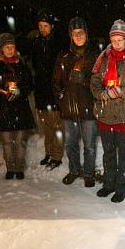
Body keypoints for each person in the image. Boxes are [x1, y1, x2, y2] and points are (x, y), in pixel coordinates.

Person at [91, 19, 125, 202]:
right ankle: (109, 184)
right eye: (114, 40)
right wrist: (103, 94)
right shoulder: (104, 58)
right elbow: (95, 83)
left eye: (120, 40)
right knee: (108, 153)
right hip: (106, 114)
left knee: (123, 154)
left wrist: (122, 91)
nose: (117, 43)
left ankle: (122, 187)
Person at [53, 17, 99, 187]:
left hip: (88, 106)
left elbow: (98, 83)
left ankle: (88, 173)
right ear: (70, 36)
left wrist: (84, 80)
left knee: (89, 144)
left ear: (86, 34)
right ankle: (74, 170)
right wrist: (60, 97)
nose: (78, 36)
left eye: (81, 33)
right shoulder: (64, 56)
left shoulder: (94, 56)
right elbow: (56, 82)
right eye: (75, 33)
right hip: (69, 108)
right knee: (71, 143)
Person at [0, 33, 36, 180]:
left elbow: (29, 84)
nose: (10, 49)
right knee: (7, 142)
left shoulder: (21, 65)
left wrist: (20, 91)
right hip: (3, 110)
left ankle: (19, 168)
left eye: (12, 47)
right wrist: (3, 93)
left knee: (20, 141)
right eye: (6, 47)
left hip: (20, 109)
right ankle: (11, 168)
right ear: (2, 49)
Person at [27, 9, 65, 169]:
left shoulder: (58, 44)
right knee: (46, 125)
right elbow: (34, 65)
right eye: (40, 26)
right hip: (41, 90)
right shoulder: (36, 43)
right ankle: (49, 152)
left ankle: (57, 155)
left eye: (45, 26)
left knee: (56, 124)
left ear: (51, 26)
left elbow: (61, 69)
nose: (43, 29)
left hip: (54, 91)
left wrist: (59, 88)